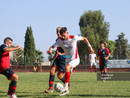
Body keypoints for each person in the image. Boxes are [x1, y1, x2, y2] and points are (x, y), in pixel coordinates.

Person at [47, 27, 93, 96]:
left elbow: (84, 39)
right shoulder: (60, 40)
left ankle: (65, 87)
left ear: (67, 33)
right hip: (67, 60)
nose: (63, 37)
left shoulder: (74, 38)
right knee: (65, 76)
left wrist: (90, 47)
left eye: (64, 35)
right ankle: (66, 90)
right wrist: (50, 50)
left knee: (67, 68)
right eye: (61, 35)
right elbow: (52, 46)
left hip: (75, 59)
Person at [44, 27, 66, 93]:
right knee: (52, 71)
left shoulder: (65, 40)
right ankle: (50, 88)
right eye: (57, 32)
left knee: (59, 76)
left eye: (59, 32)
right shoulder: (57, 40)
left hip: (63, 60)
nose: (58, 33)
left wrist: (62, 54)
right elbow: (56, 51)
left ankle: (67, 84)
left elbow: (69, 52)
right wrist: (53, 58)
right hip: (57, 59)